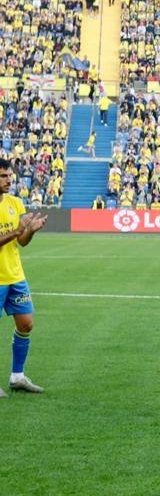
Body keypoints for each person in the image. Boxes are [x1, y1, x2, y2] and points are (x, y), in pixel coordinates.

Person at [0, 160, 48, 396]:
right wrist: (17, 231)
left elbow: (21, 242)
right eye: (3, 176)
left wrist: (30, 231)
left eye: (9, 175)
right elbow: (13, 235)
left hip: (15, 275)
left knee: (26, 323)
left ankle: (17, 376)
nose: (8, 180)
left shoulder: (15, 202)